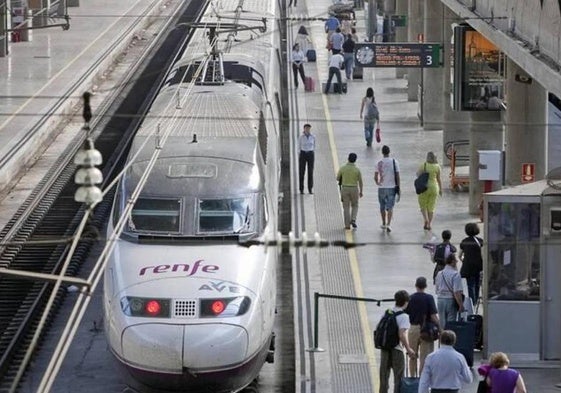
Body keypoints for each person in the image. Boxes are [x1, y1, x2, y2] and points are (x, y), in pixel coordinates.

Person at [378, 290, 416, 393]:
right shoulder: (404, 316)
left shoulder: (387, 312)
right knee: (398, 377)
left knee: (384, 376)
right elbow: (401, 334)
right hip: (397, 350)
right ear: (406, 302)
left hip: (385, 349)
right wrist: (408, 348)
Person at [404, 277, 439, 377]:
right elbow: (433, 317)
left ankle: (412, 378)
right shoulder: (429, 298)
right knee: (425, 357)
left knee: (412, 355)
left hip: (413, 329)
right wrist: (440, 327)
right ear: (425, 286)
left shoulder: (410, 298)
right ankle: (422, 380)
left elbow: (406, 312)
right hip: (426, 331)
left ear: (416, 285)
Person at [374, 145, 399, 232]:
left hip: (381, 188)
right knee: (390, 207)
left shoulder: (379, 163)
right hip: (391, 187)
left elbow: (375, 176)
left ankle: (383, 223)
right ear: (389, 152)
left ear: (382, 152)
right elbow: (397, 175)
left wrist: (378, 183)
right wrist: (398, 186)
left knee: (382, 206)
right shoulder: (394, 162)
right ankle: (389, 224)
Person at [435, 254, 464, 325]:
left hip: (440, 300)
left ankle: (442, 335)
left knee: (442, 323)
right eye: (456, 261)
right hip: (450, 300)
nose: (457, 262)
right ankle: (449, 336)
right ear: (453, 261)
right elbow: (456, 292)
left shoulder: (439, 273)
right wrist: (461, 305)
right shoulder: (456, 274)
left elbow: (437, 290)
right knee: (451, 324)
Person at [336, 153, 363, 230]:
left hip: (345, 189)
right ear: (355, 160)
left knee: (346, 207)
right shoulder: (357, 170)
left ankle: (347, 225)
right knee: (355, 205)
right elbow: (360, 182)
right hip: (354, 189)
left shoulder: (343, 168)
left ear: (348, 158)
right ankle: (353, 219)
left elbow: (337, 178)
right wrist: (361, 191)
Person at [459, 222, 484, 306]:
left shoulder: (464, 242)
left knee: (470, 285)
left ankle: (472, 303)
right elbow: (482, 255)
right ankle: (476, 301)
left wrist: (464, 260)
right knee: (477, 285)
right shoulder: (480, 241)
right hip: (478, 266)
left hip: (468, 267)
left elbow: (459, 256)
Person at [417, 151, 442, 230]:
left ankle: (426, 220)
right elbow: (439, 179)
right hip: (434, 188)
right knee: (431, 207)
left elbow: (418, 174)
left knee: (423, 205)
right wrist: (441, 189)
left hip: (424, 187)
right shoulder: (437, 167)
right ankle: (429, 224)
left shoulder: (423, 165)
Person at [298, 124, 315, 194]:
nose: (307, 130)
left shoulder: (313, 137)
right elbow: (298, 146)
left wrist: (312, 152)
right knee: (302, 172)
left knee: (310, 172)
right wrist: (300, 154)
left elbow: (314, 145)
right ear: (304, 129)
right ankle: (301, 189)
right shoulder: (301, 137)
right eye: (306, 128)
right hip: (303, 154)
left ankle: (310, 188)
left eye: (308, 128)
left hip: (310, 154)